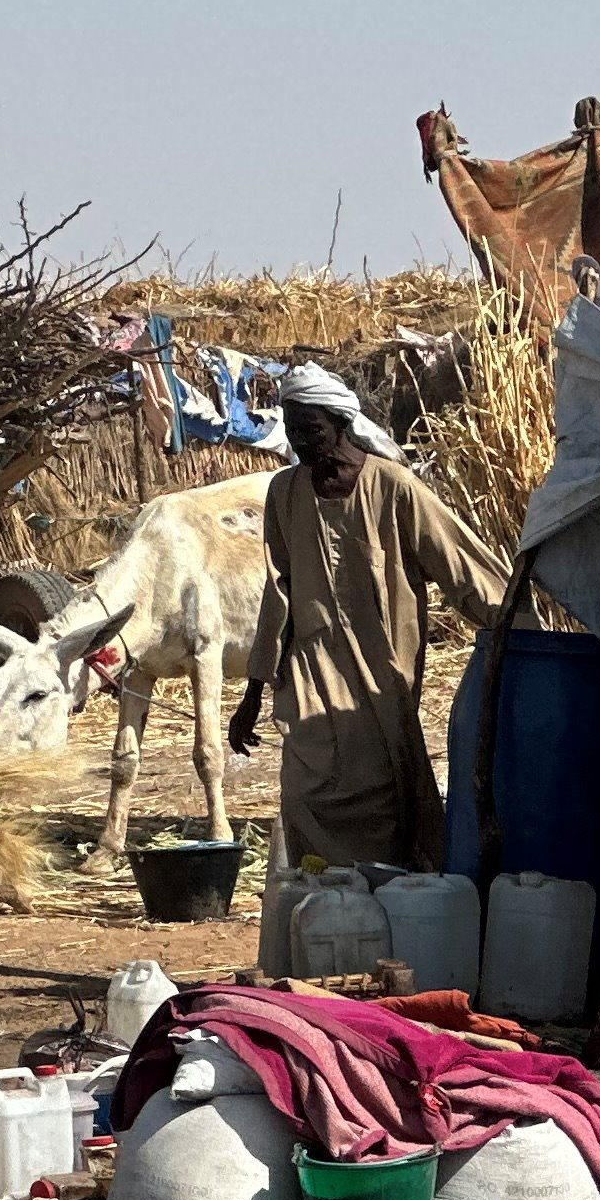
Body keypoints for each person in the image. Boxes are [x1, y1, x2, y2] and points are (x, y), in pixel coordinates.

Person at [229, 366, 514, 870]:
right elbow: (279, 591)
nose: (300, 442)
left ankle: (388, 900)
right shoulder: (285, 493)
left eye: (311, 430)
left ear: (340, 422)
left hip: (383, 671)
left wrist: (519, 633)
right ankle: (322, 898)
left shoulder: (394, 487)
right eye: (292, 430)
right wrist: (253, 691)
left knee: (385, 799)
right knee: (304, 792)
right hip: (309, 670)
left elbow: (460, 564)